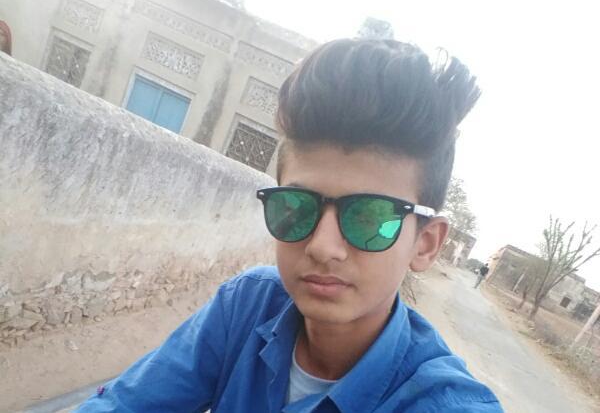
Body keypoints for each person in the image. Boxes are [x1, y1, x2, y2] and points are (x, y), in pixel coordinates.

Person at [75, 39, 503, 412]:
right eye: (298, 207)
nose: (322, 246)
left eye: (368, 217)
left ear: (425, 243)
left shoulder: (441, 402)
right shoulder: (247, 305)